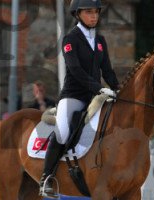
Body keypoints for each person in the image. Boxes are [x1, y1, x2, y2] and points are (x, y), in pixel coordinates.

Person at [39, 0, 119, 197]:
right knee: (63, 132)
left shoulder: (100, 40)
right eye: (88, 12)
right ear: (78, 15)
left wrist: (118, 89)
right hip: (73, 95)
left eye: (96, 12)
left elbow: (107, 70)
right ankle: (46, 178)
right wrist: (100, 88)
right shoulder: (70, 39)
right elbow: (75, 70)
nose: (94, 16)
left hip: (96, 96)